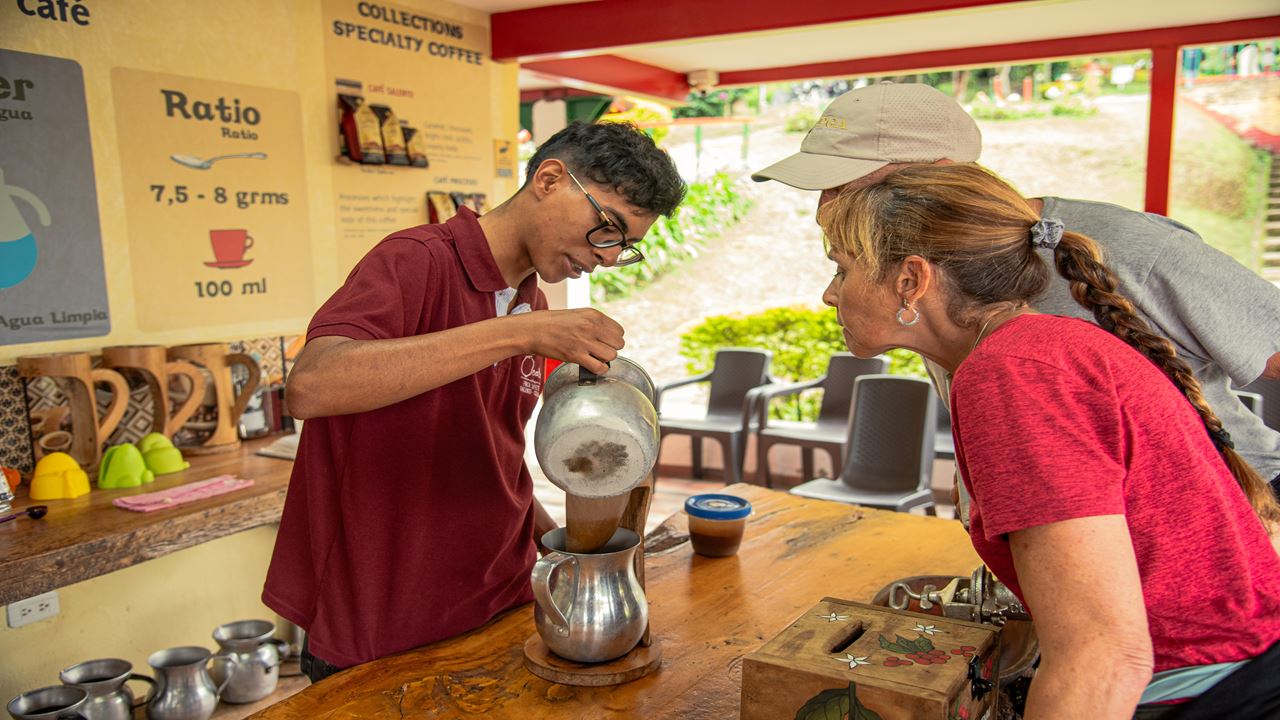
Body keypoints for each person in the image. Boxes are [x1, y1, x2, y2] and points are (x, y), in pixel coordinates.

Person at [817, 162, 1280, 717]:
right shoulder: (1033, 349)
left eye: (842, 270)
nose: (828, 294)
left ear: (911, 281)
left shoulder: (1012, 373)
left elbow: (1103, 655)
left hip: (1213, 689)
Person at [263, 121, 686, 680]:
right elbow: (312, 386)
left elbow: (493, 452)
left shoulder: (530, 302)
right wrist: (521, 335)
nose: (608, 257)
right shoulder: (417, 261)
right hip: (388, 612)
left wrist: (566, 549)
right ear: (551, 179)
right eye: (606, 229)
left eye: (624, 245)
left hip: (502, 595)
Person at [752, 81, 1280, 496]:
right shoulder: (925, 278)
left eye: (846, 186)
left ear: (942, 175)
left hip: (1244, 510)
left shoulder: (1132, 248)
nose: (824, 209)